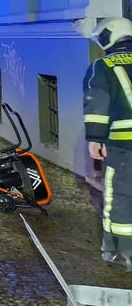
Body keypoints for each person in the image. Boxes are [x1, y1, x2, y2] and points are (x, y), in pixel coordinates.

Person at [84, 17, 132, 272]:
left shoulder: (104, 65)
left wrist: (95, 138)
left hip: (124, 146)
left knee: (120, 198)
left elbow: (97, 103)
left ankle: (121, 251)